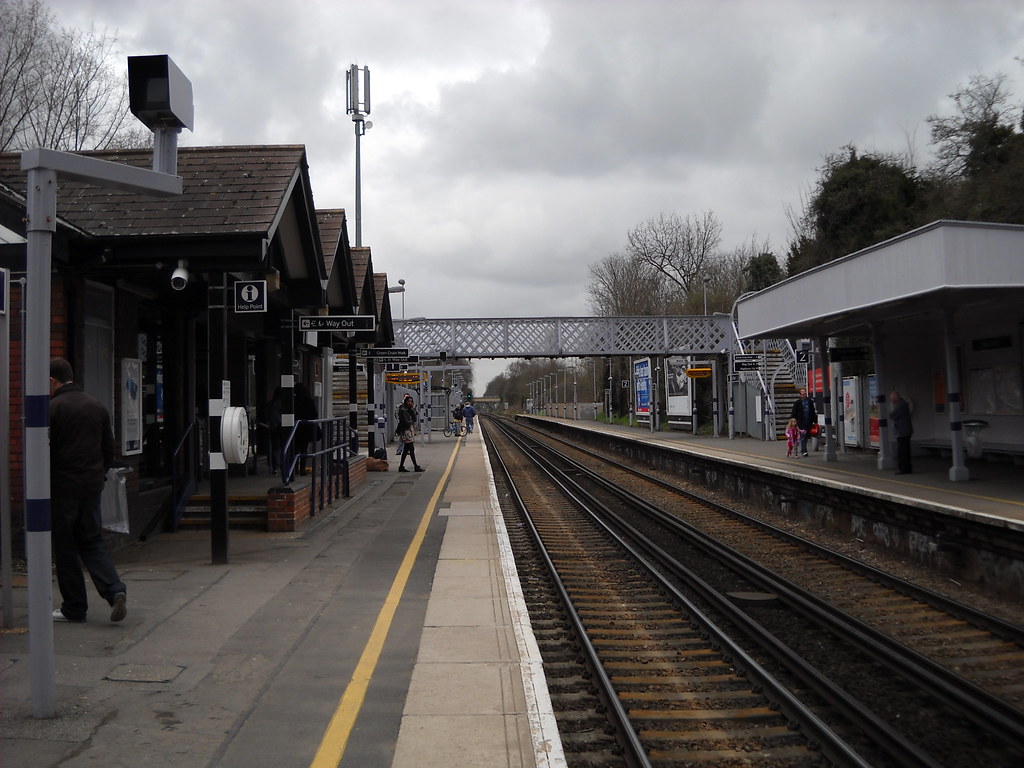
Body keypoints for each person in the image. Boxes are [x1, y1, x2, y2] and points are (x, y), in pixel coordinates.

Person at [49, 357, 127, 623]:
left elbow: (45, 451)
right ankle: (115, 590)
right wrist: (98, 474)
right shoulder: (96, 406)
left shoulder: (53, 408)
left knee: (66, 547)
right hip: (92, 486)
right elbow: (108, 449)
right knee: (92, 541)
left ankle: (74, 607)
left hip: (62, 488)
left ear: (52, 381)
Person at [294, 382, 318, 476]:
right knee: (303, 449)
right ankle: (302, 469)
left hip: (294, 428)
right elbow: (314, 414)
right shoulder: (308, 400)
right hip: (305, 428)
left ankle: (294, 468)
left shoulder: (293, 400)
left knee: (294, 449)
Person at [396, 395, 425, 472]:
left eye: (411, 401)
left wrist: (412, 409)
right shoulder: (403, 410)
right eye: (408, 401)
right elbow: (406, 421)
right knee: (411, 448)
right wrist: (411, 422)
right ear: (405, 401)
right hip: (406, 430)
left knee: (406, 449)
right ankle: (415, 466)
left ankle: (401, 466)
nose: (410, 403)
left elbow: (415, 418)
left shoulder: (409, 409)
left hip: (409, 429)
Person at [889, 390, 914, 475]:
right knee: (905, 450)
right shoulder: (904, 404)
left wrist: (892, 407)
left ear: (896, 398)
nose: (892, 401)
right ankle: (907, 468)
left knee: (902, 451)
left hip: (902, 432)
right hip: (905, 431)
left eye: (892, 399)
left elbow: (892, 415)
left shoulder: (900, 405)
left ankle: (904, 468)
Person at [789, 387, 817, 457]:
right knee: (803, 436)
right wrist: (793, 422)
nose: (804, 395)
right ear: (800, 395)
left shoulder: (809, 401)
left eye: (805, 394)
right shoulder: (797, 403)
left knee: (806, 436)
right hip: (801, 422)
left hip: (809, 421)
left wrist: (815, 421)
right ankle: (804, 451)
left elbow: (813, 411)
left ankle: (803, 449)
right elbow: (794, 413)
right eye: (803, 394)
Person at [266, 386, 283, 474]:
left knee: (275, 448)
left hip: (273, 427)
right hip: (282, 427)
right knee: (283, 447)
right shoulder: (284, 404)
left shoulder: (271, 403)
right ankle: (282, 465)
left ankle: (275, 467)